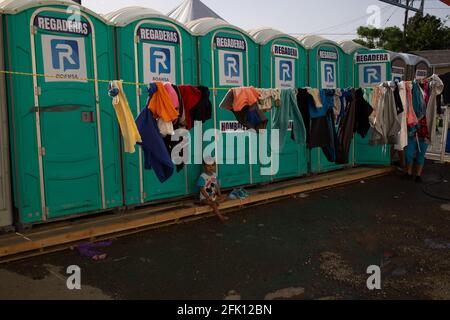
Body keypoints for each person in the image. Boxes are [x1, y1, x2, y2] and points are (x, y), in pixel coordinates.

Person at [197, 157, 228, 222]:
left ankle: (216, 202)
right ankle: (221, 217)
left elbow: (217, 185)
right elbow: (201, 189)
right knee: (213, 204)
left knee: (225, 197)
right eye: (208, 166)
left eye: (212, 165)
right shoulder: (202, 177)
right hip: (205, 198)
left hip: (213, 197)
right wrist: (207, 197)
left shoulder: (214, 175)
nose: (211, 167)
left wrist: (219, 194)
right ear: (204, 166)